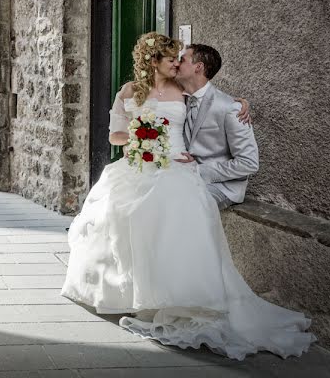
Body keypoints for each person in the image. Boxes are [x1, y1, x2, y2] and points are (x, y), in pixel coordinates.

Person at [61, 32, 316, 360]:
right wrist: (141, 138)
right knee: (116, 211)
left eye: (179, 59)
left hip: (178, 168)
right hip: (139, 163)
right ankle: (127, 291)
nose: (176, 63)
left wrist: (242, 104)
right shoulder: (129, 92)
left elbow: (213, 98)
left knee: (169, 208)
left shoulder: (185, 92)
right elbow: (115, 134)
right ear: (154, 62)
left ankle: (178, 295)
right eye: (171, 58)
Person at [174, 44, 256, 209]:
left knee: (181, 205)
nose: (176, 64)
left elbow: (249, 163)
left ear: (199, 67)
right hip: (184, 176)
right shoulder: (177, 97)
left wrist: (198, 170)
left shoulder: (230, 108)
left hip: (221, 186)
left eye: (182, 60)